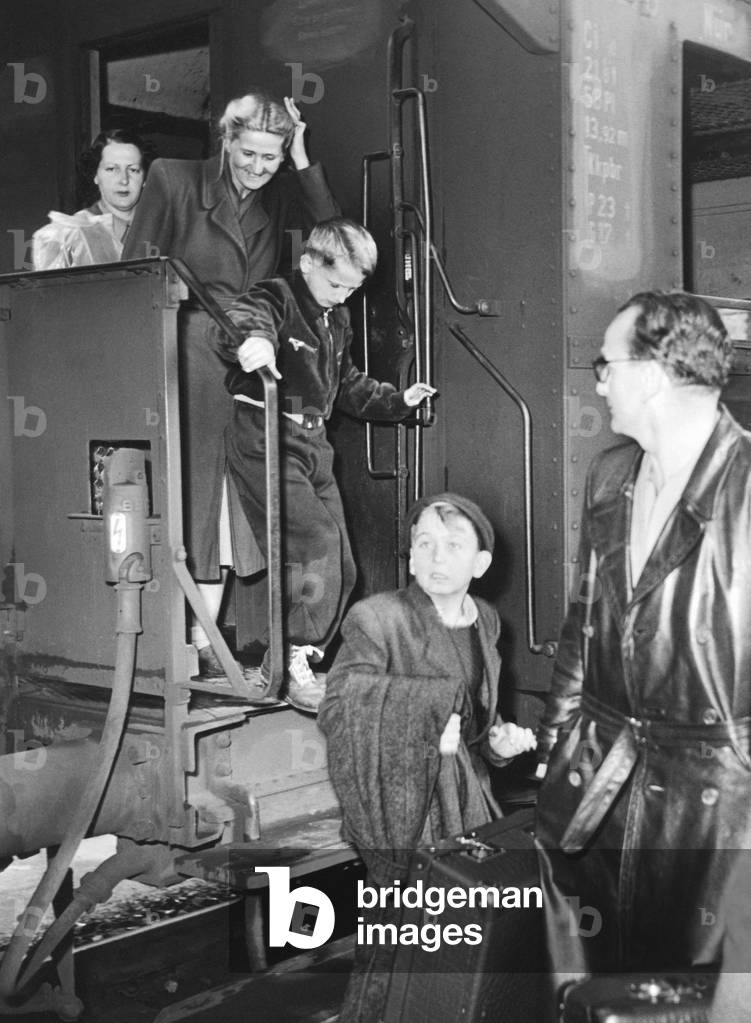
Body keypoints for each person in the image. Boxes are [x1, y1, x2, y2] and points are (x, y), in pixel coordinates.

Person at [535, 291, 751, 980]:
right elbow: (583, 621)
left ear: (654, 375)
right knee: (593, 988)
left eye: (607, 364)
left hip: (709, 816)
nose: (598, 380)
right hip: (594, 791)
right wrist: (555, 742)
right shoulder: (609, 476)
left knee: (688, 994)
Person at [121, 91, 339, 680]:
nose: (256, 168)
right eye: (249, 153)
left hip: (247, 359)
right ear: (226, 140)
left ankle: (212, 642)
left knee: (231, 505)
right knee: (193, 497)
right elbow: (134, 273)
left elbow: (334, 238)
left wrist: (298, 155)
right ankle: (186, 644)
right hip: (184, 354)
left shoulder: (276, 195)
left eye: (269, 157)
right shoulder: (173, 180)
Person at [317, 491, 536, 1023]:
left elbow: (477, 715)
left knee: (464, 948)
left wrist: (500, 740)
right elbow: (341, 706)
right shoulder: (377, 618)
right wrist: (428, 719)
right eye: (425, 544)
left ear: (480, 564)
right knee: (396, 948)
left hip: (470, 806)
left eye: (454, 546)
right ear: (411, 557)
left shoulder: (484, 621)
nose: (438, 559)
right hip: (403, 808)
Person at [215, 218, 437, 710]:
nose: (343, 296)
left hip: (314, 443)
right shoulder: (277, 296)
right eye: (336, 284)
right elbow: (241, 322)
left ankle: (297, 656)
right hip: (265, 434)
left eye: (353, 288)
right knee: (314, 544)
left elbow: (349, 385)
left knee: (343, 564)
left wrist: (398, 400)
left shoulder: (336, 319)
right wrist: (251, 343)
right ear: (308, 262)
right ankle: (286, 663)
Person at [32, 128, 150, 268]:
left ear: (145, 179)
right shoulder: (66, 236)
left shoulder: (160, 229)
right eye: (111, 169)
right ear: (95, 175)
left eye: (133, 170)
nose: (124, 180)